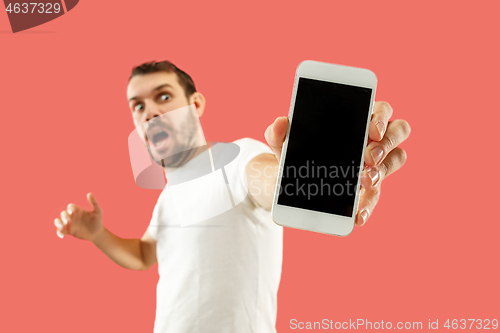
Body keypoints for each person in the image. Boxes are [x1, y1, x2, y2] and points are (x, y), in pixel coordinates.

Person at [53, 61, 411, 333]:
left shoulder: (238, 157)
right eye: (138, 105)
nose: (151, 113)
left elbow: (267, 181)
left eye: (163, 96)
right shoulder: (168, 196)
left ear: (195, 104)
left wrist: (309, 175)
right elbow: (146, 254)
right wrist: (98, 234)